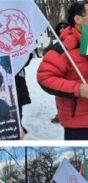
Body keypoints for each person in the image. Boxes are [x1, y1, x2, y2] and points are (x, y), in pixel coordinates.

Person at [37, 2, 88, 140]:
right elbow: (44, 77)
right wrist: (79, 89)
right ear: (78, 19)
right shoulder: (63, 48)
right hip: (80, 125)